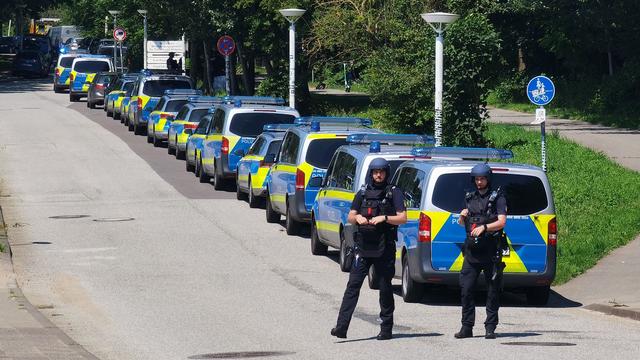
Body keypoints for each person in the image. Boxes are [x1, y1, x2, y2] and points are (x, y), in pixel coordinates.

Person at [331, 158, 407, 340]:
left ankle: (386, 328)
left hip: (384, 247)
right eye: (375, 172)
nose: (378, 175)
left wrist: (385, 218)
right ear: (371, 173)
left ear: (386, 173)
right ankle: (341, 327)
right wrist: (357, 219)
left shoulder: (393, 192)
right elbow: (350, 215)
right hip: (363, 247)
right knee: (353, 286)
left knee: (384, 288)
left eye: (381, 172)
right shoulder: (363, 192)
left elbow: (403, 217)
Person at [455, 163, 507, 339]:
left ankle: (490, 327)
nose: (479, 182)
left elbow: (501, 222)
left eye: (482, 178)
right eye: (476, 179)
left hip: (491, 250)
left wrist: (485, 227)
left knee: (492, 290)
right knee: (466, 289)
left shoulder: (497, 198)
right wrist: (461, 217)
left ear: (488, 179)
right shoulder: (469, 198)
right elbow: (464, 224)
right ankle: (466, 327)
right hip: (472, 251)